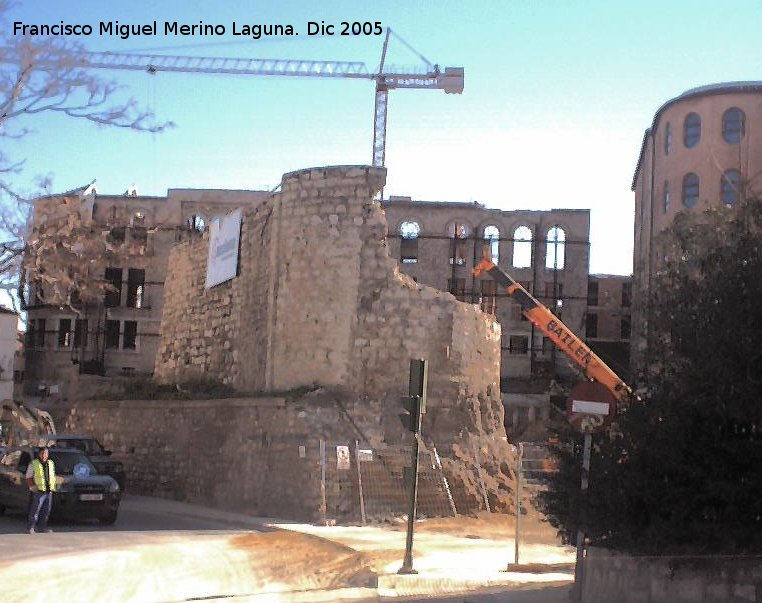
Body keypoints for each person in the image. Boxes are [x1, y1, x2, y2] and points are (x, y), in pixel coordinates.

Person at [25, 446, 56, 534]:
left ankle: (42, 527)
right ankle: (30, 527)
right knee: (35, 510)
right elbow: (28, 477)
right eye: (42, 453)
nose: (44, 455)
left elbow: (52, 476)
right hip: (39, 491)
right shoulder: (34, 463)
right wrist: (32, 487)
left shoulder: (51, 463)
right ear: (39, 454)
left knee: (46, 510)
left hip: (48, 490)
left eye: (46, 453)